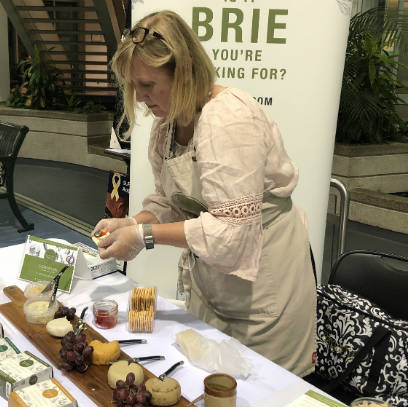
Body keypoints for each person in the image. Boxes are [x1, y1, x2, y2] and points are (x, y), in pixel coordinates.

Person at [93, 10, 316, 377]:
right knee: (209, 387)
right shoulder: (166, 129)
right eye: (134, 86)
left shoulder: (229, 119)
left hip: (264, 291)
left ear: (183, 72)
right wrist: (131, 225)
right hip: (214, 285)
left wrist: (145, 236)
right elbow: (169, 202)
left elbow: (231, 233)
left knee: (264, 400)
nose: (142, 97)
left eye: (148, 84)